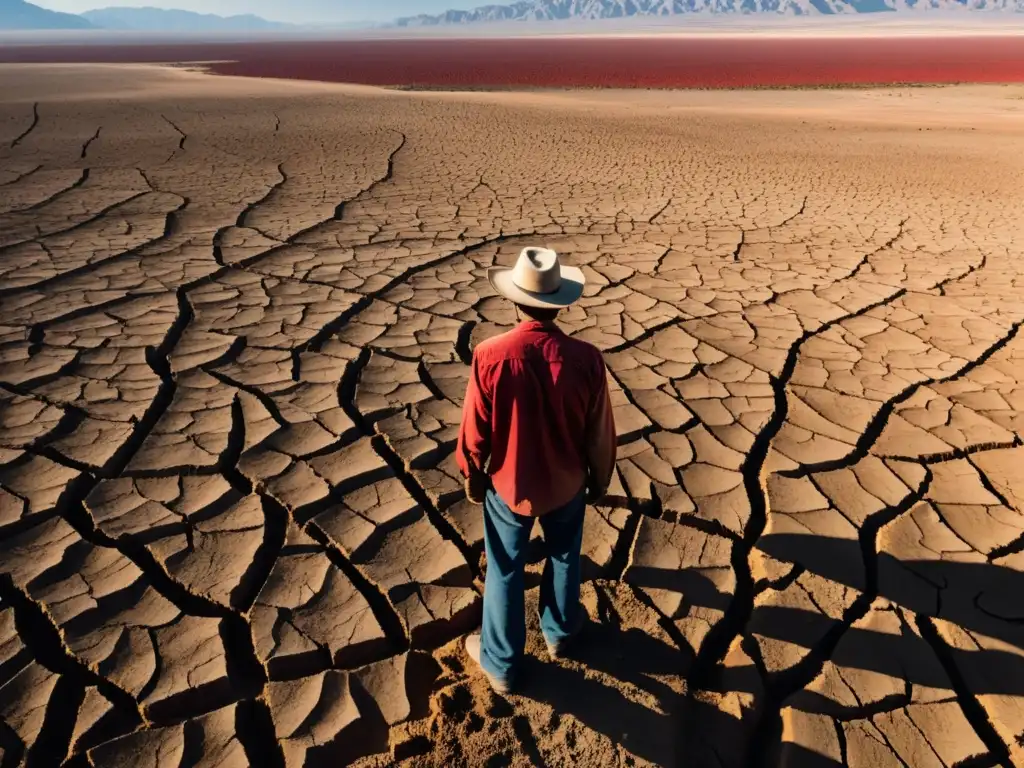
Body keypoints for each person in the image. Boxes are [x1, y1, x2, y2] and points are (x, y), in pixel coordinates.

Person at [456, 246, 617, 694]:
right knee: (566, 555)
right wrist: (600, 478)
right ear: (562, 303)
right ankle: (562, 634)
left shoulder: (489, 355)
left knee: (505, 568)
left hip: (510, 485)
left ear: (514, 300)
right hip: (567, 484)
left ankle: (501, 663)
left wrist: (472, 472)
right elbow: (599, 430)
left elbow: (475, 427)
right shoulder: (587, 359)